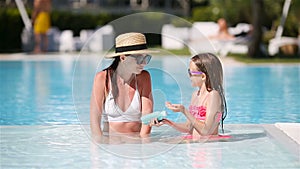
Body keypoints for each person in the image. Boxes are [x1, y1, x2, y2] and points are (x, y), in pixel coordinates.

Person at [90, 32, 157, 143]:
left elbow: (147, 115)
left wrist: (143, 144)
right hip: (110, 143)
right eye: (140, 59)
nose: (144, 63)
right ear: (123, 58)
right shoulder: (103, 78)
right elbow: (94, 119)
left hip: (136, 141)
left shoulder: (144, 77)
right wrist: (98, 148)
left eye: (146, 58)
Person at [151, 53, 227, 139]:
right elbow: (188, 127)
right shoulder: (195, 95)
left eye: (191, 73)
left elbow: (206, 131)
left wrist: (184, 111)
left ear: (203, 76)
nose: (189, 76)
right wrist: (167, 122)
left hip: (209, 146)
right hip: (196, 146)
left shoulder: (213, 95)